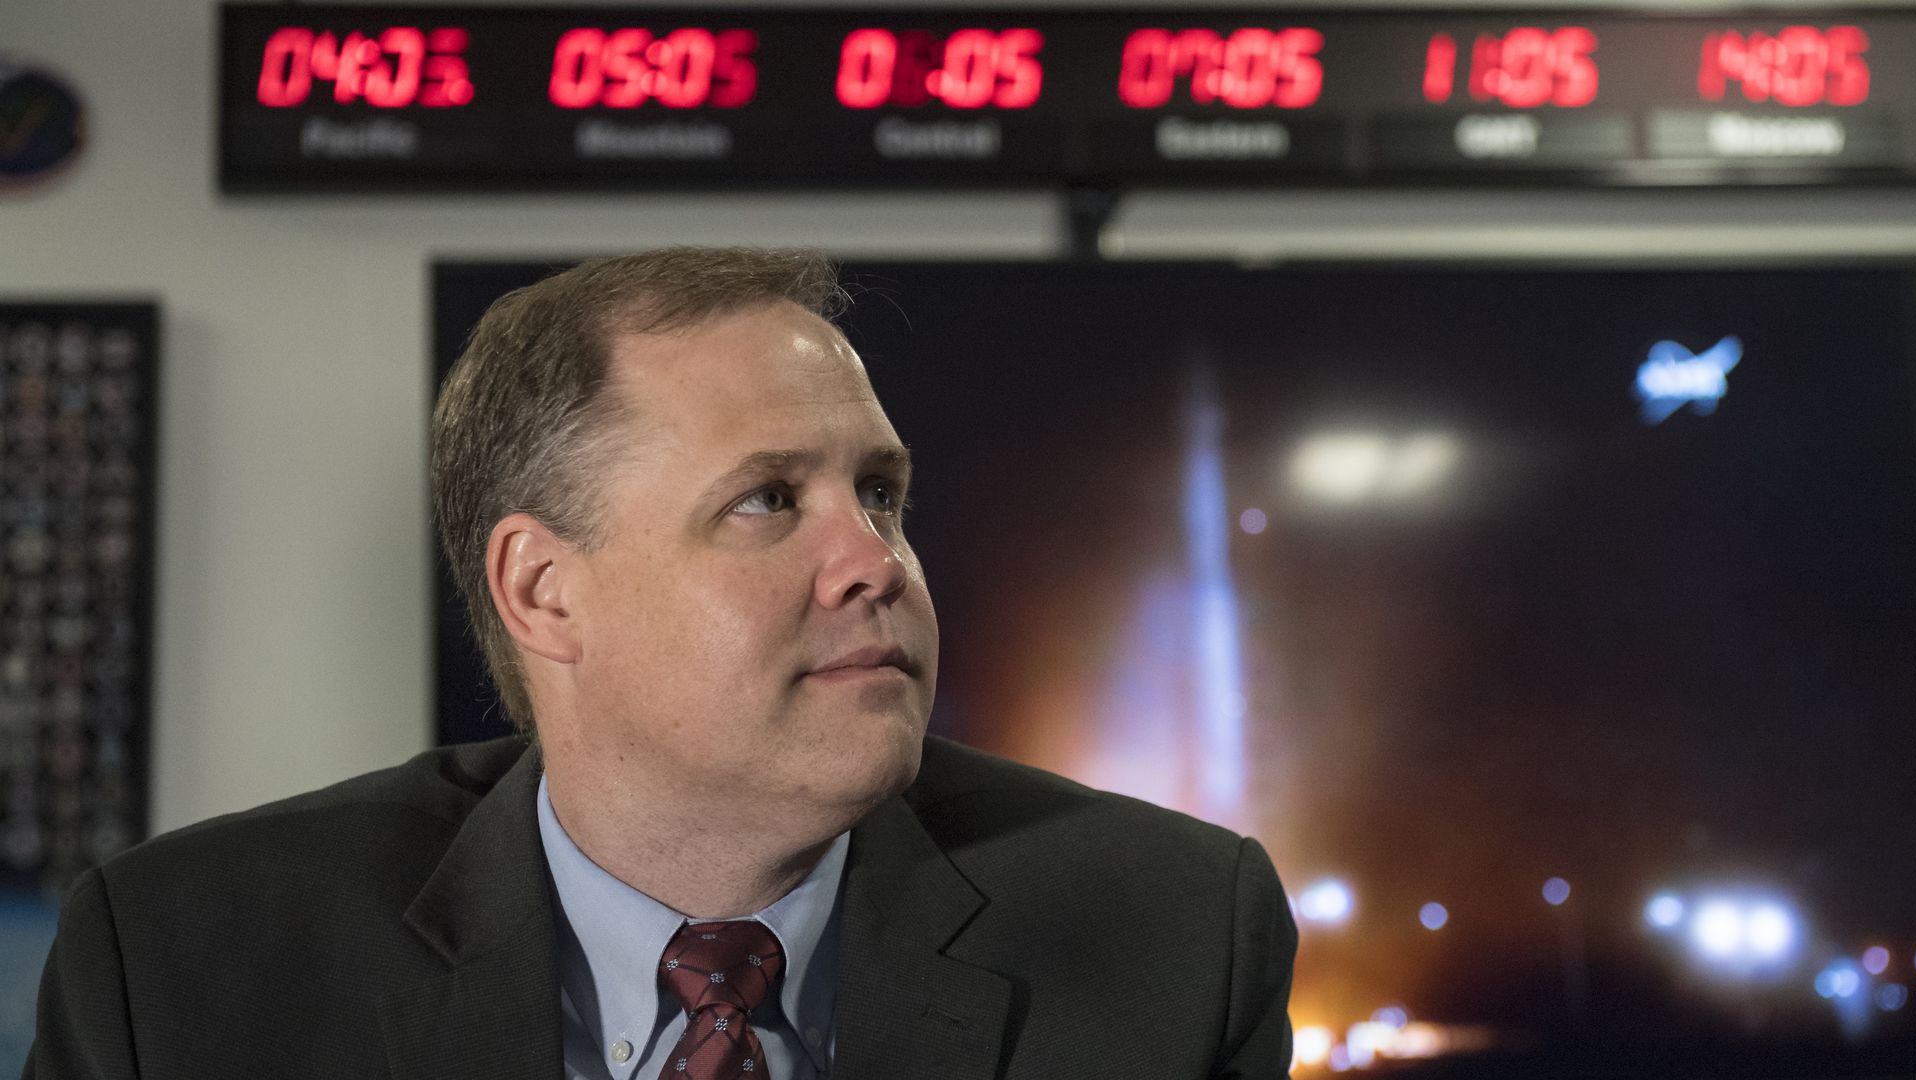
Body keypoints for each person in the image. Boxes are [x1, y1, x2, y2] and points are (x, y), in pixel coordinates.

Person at [26, 248, 1296, 1079]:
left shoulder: (1176, 939)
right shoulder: (183, 970)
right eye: (765, 501)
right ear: (544, 589)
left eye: (881, 494)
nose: (877, 562)